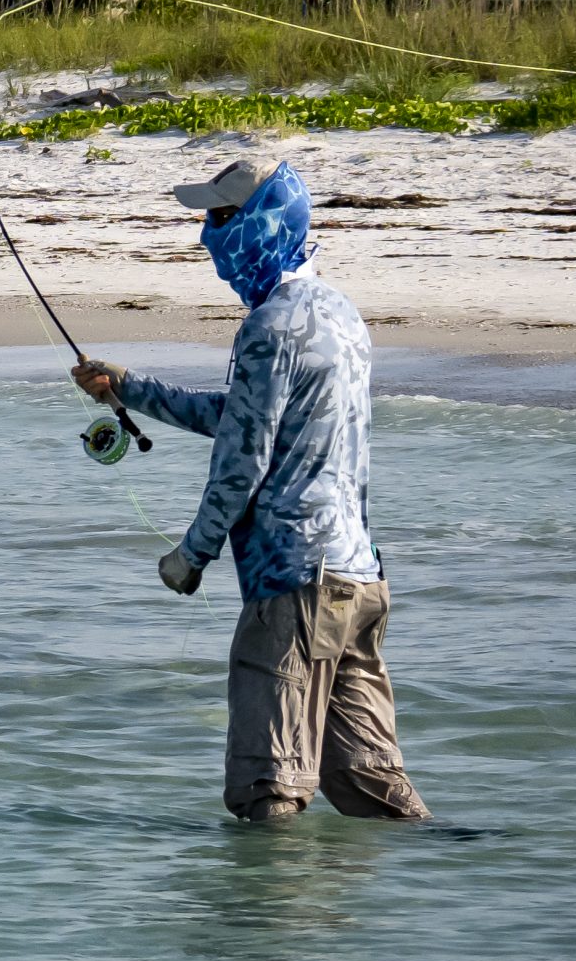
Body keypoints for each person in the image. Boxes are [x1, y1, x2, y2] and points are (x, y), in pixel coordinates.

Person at [73, 157, 429, 824]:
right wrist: (129, 390)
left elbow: (244, 460)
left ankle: (262, 930)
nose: (210, 235)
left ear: (263, 223)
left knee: (267, 793)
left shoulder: (270, 328)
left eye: (223, 217)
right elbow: (249, 416)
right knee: (375, 794)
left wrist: (193, 555)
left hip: (294, 587)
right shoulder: (339, 314)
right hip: (359, 583)